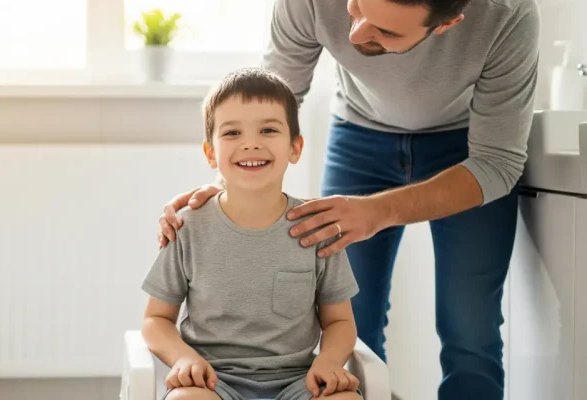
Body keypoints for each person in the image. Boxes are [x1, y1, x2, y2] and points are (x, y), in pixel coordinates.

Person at [157, 0, 541, 399]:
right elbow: (269, 104)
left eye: (386, 31)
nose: (355, 33)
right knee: (358, 322)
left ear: (448, 24)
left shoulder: (507, 14)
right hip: (359, 133)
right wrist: (229, 187)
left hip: (467, 150)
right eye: (355, 6)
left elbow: (496, 162)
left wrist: (377, 211)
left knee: (471, 324)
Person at [141, 68, 363, 400]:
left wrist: (329, 362)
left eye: (269, 129)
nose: (251, 143)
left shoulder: (318, 228)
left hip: (300, 383)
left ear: (295, 147)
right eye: (232, 133)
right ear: (210, 153)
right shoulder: (188, 228)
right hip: (213, 383)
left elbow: (340, 322)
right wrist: (184, 358)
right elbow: (156, 319)